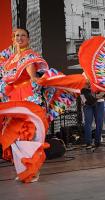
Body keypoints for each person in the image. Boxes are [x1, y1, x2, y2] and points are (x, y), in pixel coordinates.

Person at [0, 28, 87, 183]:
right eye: (16, 36)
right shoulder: (11, 59)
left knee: (30, 135)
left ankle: (34, 170)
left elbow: (33, 76)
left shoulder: (29, 56)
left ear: (28, 39)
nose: (19, 38)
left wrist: (38, 79)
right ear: (13, 39)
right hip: (14, 99)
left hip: (28, 98)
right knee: (15, 137)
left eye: (23, 36)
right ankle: (25, 169)